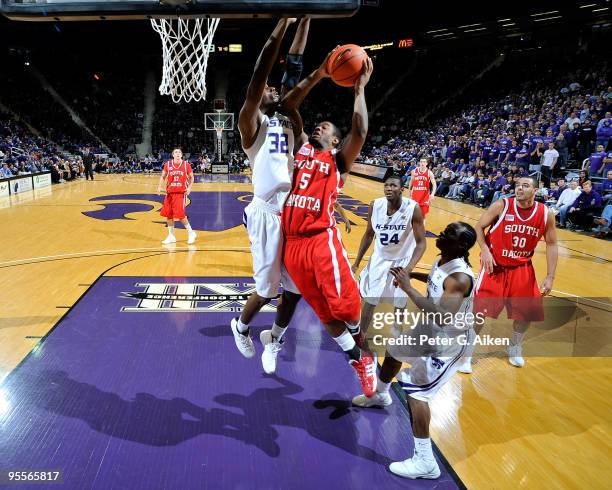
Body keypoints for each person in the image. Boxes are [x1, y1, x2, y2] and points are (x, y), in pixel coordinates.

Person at [281, 50, 378, 396]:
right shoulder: (302, 147)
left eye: (326, 127)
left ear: (335, 140)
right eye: (317, 124)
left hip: (320, 239)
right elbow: (289, 108)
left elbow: (361, 130)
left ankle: (364, 347)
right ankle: (358, 360)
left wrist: (359, 89)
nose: (318, 125)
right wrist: (320, 73)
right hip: (292, 244)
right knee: (325, 313)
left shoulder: (337, 161)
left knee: (346, 309)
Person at [352, 222, 478, 480]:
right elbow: (436, 283)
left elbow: (443, 317)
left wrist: (408, 287)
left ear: (462, 245)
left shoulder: (460, 278)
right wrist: (409, 276)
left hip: (448, 341)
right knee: (394, 350)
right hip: (429, 329)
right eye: (445, 230)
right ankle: (381, 395)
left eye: (449, 233)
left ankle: (425, 462)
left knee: (417, 393)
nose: (441, 233)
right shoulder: (444, 259)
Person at [230, 18, 310, 375]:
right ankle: (241, 325)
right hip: (265, 213)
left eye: (276, 89)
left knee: (295, 290)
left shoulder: (288, 120)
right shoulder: (251, 122)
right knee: (266, 290)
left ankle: (275, 339)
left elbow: (294, 66)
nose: (274, 90)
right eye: (268, 89)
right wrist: (283, 23)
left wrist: (305, 16)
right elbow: (262, 71)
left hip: (291, 210)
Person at [461, 176, 558, 371]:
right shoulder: (501, 205)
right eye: (517, 185)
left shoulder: (546, 214)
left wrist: (550, 277)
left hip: (521, 268)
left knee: (526, 313)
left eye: (525, 186)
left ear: (536, 191)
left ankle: (515, 345)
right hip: (494, 266)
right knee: (480, 312)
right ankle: (466, 352)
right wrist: (485, 250)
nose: (520, 188)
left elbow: (552, 243)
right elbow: (479, 227)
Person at [351, 174, 426, 343]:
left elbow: (421, 244)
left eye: (393, 186)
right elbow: (368, 235)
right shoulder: (375, 205)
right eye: (386, 186)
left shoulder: (413, 208)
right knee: (371, 297)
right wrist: (356, 262)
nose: (389, 189)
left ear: (402, 189)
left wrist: (408, 269)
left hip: (402, 259)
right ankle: (360, 335)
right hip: (380, 258)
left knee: (400, 297)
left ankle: (397, 328)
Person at [157, 148, 197, 245]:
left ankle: (191, 233)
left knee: (180, 215)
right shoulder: (168, 164)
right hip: (169, 193)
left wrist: (189, 188)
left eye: (179, 152)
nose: (178, 153)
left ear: (182, 155)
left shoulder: (186, 165)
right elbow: (163, 176)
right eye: (176, 152)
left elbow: (192, 177)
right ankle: (171, 236)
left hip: (180, 193)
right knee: (168, 215)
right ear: (173, 155)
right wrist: (159, 186)